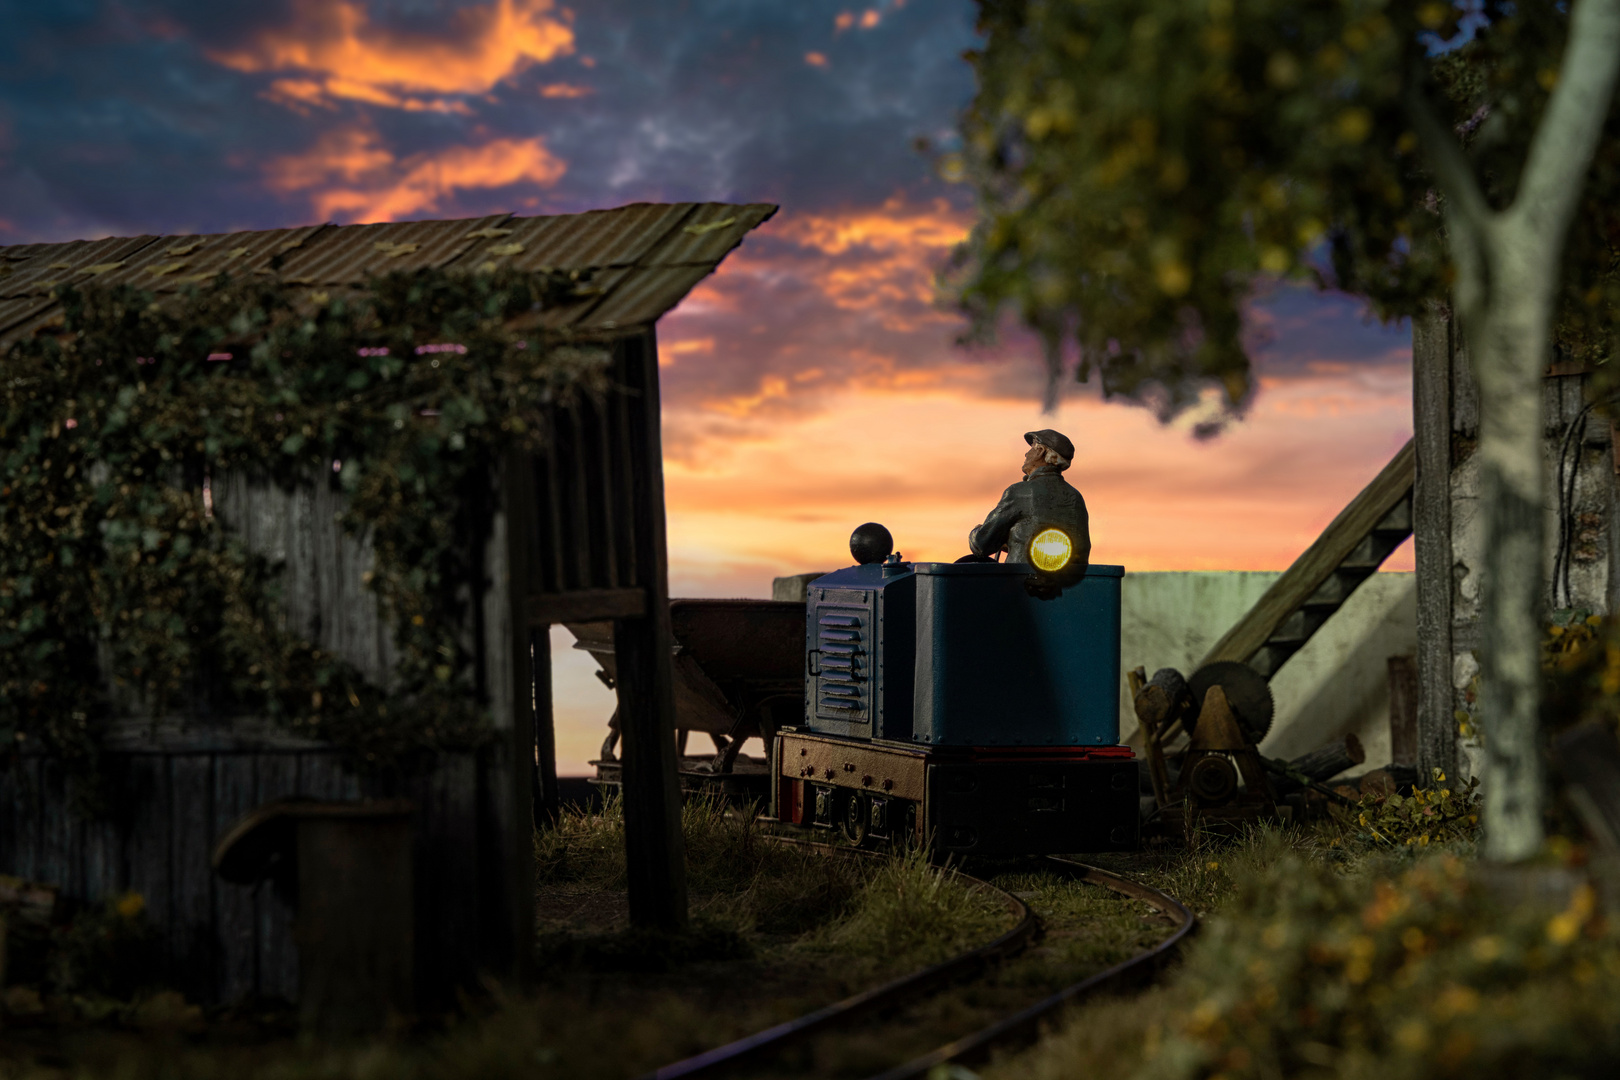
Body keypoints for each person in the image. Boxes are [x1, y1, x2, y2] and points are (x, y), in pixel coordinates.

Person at [965, 429, 1091, 579]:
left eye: (1031, 448)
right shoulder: (1076, 497)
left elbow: (981, 544)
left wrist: (977, 532)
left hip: (1021, 589)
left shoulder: (1019, 492)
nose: (1026, 454)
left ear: (1041, 452)